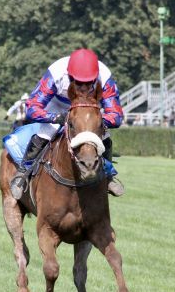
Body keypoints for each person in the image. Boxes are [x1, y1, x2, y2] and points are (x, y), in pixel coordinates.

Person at [9, 48, 125, 199]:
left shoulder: (104, 75)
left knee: (104, 136)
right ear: (70, 76)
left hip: (88, 109)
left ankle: (108, 176)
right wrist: (55, 117)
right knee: (45, 133)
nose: (83, 88)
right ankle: (23, 173)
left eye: (88, 83)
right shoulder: (56, 72)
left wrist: (92, 122)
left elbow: (116, 116)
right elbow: (32, 107)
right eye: (79, 83)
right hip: (57, 105)